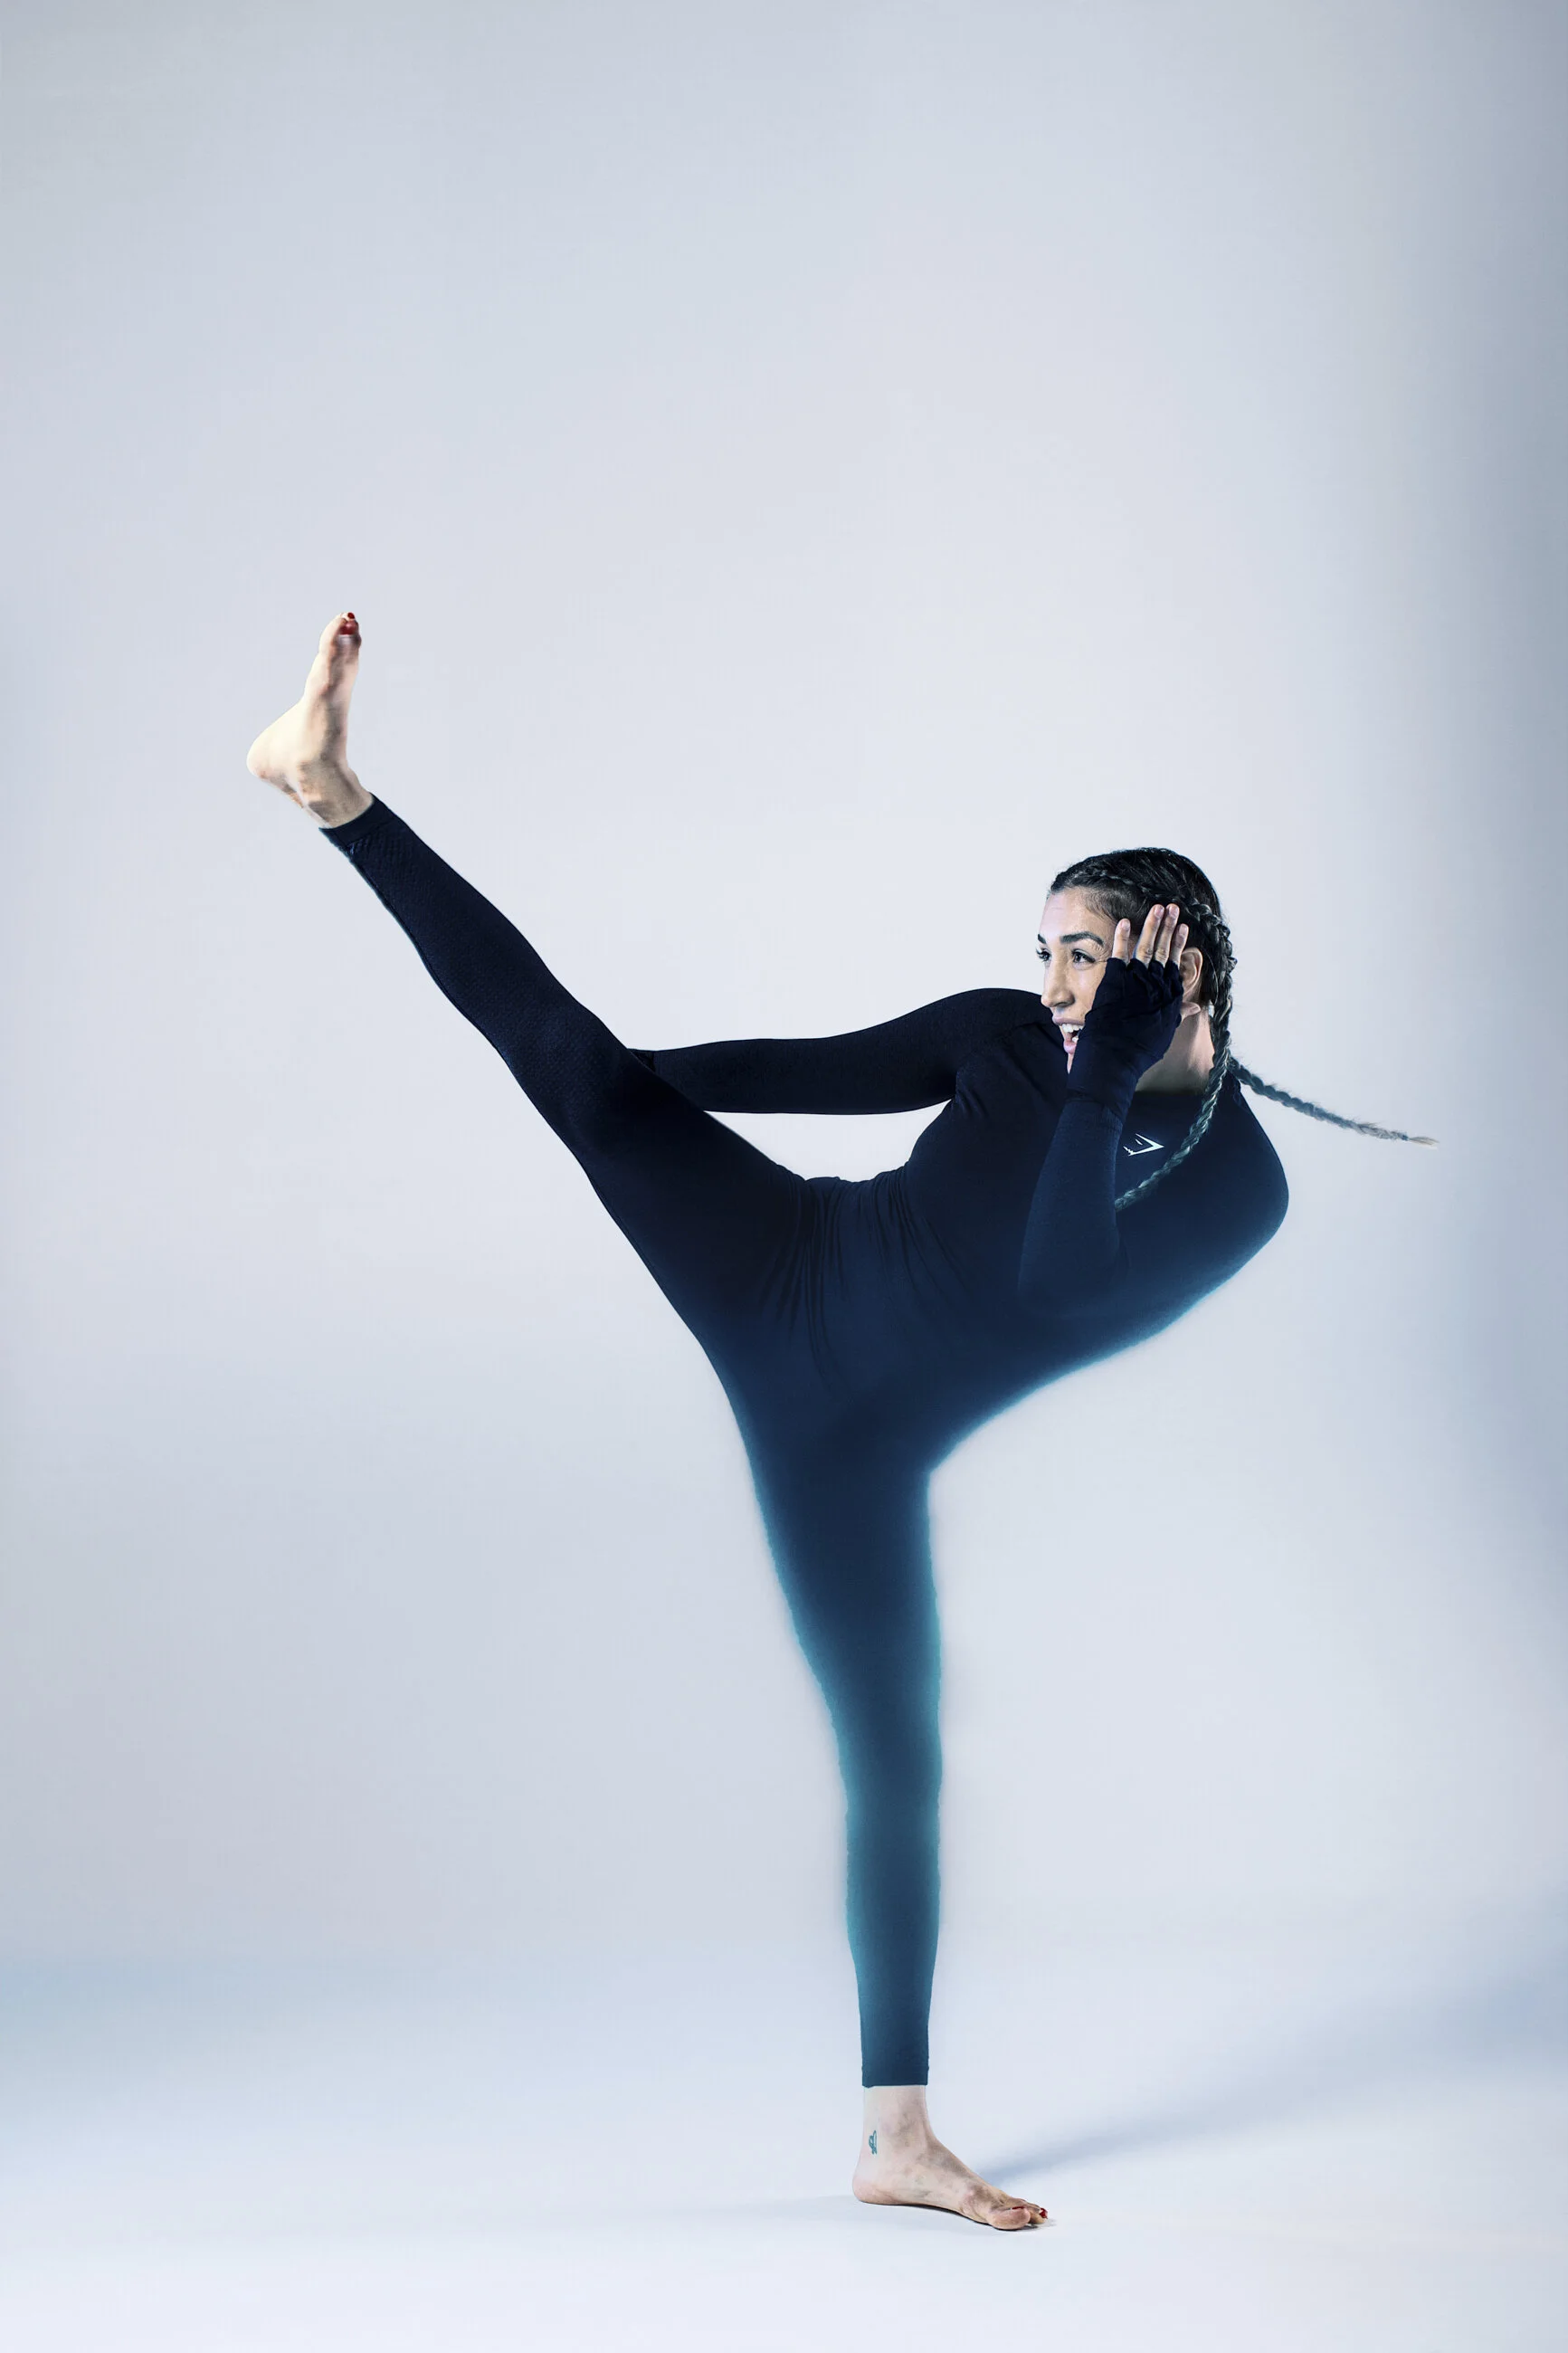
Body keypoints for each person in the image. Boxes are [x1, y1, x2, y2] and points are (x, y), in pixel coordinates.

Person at [245, 613, 1433, 2230]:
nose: (1061, 990)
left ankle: (896, 2141)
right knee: (587, 1076)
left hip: (853, 1451)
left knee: (898, 1766)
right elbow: (792, 1073)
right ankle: (331, 795)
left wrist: (1105, 1085)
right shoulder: (1011, 1038)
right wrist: (609, 1089)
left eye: (1090, 956)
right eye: (1049, 956)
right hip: (780, 1264)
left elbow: (1063, 1284)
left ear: (1182, 961)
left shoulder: (1241, 1188)